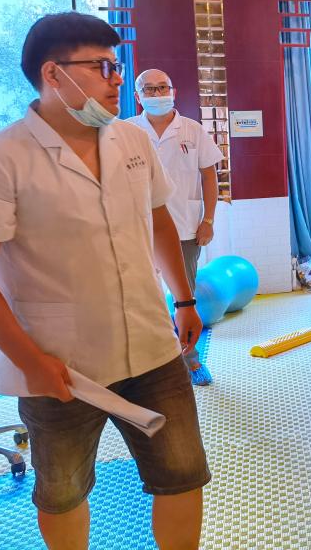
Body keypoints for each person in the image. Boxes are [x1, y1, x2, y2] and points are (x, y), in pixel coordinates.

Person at [0, 12, 210, 550]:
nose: (117, 79)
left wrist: (184, 299)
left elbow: (158, 219)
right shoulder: (0, 159)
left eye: (117, 65)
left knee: (183, 474)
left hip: (151, 346)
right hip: (60, 364)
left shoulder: (130, 138)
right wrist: (31, 360)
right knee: (63, 492)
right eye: (102, 66)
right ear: (52, 74)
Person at [129, 69, 223, 386]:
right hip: (138, 231)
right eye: (149, 89)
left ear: (174, 91)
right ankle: (150, 364)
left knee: (186, 299)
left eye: (162, 88)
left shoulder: (192, 130)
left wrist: (208, 220)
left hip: (185, 228)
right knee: (142, 299)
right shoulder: (126, 131)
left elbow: (209, 176)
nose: (157, 94)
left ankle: (191, 361)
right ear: (137, 96)